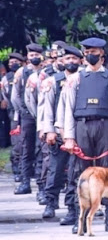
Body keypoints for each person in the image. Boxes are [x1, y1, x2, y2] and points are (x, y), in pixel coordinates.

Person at [62, 37, 108, 234]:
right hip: (82, 127)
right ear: (84, 55)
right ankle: (80, 219)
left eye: (95, 51)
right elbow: (68, 109)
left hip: (106, 126)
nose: (91, 55)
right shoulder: (75, 79)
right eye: (88, 51)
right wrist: (68, 137)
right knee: (80, 173)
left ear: (102, 54)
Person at [41, 45, 82, 221]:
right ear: (61, 61)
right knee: (56, 170)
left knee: (76, 172)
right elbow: (46, 108)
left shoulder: (84, 79)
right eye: (67, 59)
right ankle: (50, 203)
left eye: (74, 59)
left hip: (79, 134)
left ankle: (73, 207)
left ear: (80, 60)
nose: (71, 62)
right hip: (58, 134)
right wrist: (48, 130)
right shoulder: (52, 81)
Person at [11, 43, 43, 195]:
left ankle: (42, 183)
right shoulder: (21, 72)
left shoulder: (45, 72)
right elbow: (15, 96)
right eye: (32, 55)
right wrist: (22, 111)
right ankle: (25, 182)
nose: (34, 58)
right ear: (27, 57)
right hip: (27, 116)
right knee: (26, 148)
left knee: (43, 149)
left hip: (43, 115)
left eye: (37, 55)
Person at [1, 53, 25, 182]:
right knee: (16, 141)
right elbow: (4, 94)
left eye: (15, 61)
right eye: (10, 62)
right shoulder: (7, 78)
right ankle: (17, 169)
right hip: (14, 113)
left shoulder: (27, 74)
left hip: (27, 112)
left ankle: (26, 168)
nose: (12, 64)